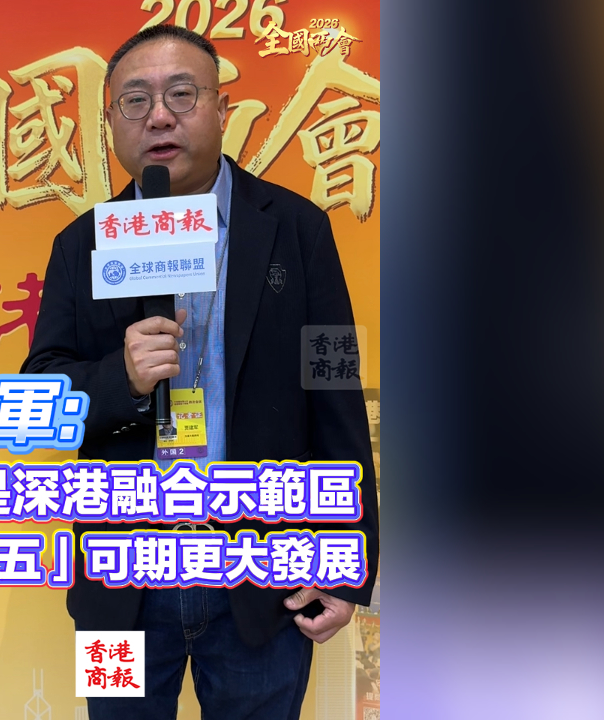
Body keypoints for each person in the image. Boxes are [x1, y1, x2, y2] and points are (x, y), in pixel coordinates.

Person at [20, 24, 378, 720]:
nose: (159, 116)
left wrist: (348, 560)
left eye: (181, 94)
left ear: (220, 108)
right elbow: (40, 397)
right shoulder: (81, 243)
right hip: (121, 582)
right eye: (135, 100)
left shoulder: (298, 229)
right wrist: (120, 378)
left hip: (264, 578)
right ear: (112, 124)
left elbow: (332, 389)